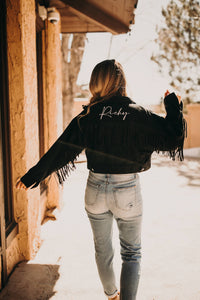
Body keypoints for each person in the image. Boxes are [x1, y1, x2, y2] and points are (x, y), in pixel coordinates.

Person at [16, 59, 186, 300]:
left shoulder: (88, 116)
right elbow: (173, 135)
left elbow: (61, 149)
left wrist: (32, 176)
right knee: (132, 253)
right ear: (121, 82)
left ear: (97, 82)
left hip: (95, 189)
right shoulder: (139, 114)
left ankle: (112, 296)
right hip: (127, 190)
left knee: (102, 249)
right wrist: (172, 105)